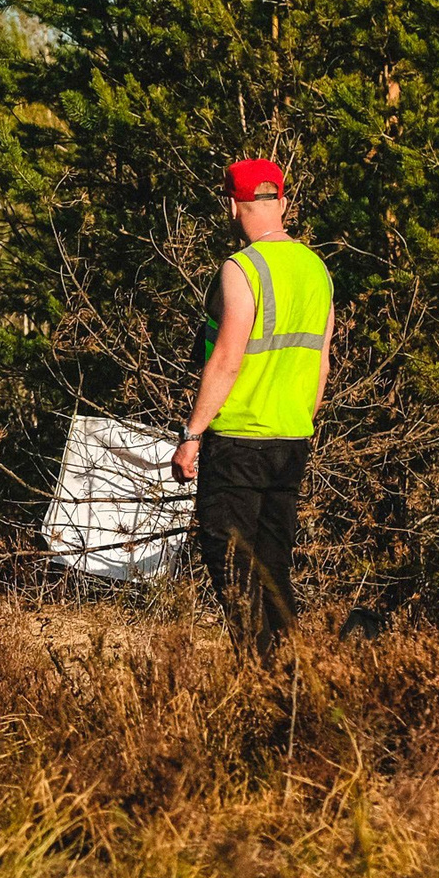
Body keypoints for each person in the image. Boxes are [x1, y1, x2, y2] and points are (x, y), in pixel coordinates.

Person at [170, 158, 335, 659]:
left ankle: (259, 682)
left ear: (232, 205)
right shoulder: (316, 269)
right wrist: (301, 421)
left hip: (238, 442)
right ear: (282, 202)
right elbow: (322, 363)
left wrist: (193, 433)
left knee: (234, 572)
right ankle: (290, 676)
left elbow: (227, 357)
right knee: (274, 569)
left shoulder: (241, 269)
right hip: (291, 441)